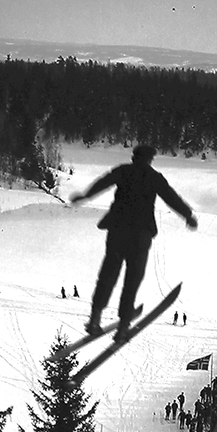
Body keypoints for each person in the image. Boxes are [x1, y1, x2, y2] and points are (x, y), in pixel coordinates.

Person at [68, 145, 198, 340]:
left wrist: (85, 196)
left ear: (134, 156)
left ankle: (95, 319)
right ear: (150, 159)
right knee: (132, 281)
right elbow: (171, 197)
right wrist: (187, 215)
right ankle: (122, 327)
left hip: (117, 230)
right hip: (140, 234)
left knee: (107, 276)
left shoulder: (123, 171)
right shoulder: (154, 177)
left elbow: (103, 182)